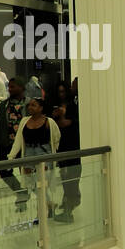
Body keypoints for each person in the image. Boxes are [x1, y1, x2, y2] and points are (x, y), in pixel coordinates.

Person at [0, 77, 28, 206]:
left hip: (23, 145)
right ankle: (20, 191)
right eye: (9, 87)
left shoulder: (29, 104)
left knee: (27, 174)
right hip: (5, 144)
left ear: (21, 87)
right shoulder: (4, 105)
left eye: (13, 86)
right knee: (3, 170)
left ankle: (45, 202)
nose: (10, 89)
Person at [51, 81, 80, 223]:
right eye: (59, 91)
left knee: (71, 180)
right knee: (65, 177)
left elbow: (66, 124)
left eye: (63, 91)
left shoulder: (72, 107)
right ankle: (68, 204)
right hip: (62, 148)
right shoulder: (58, 107)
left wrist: (61, 116)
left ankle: (69, 210)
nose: (61, 94)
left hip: (72, 148)